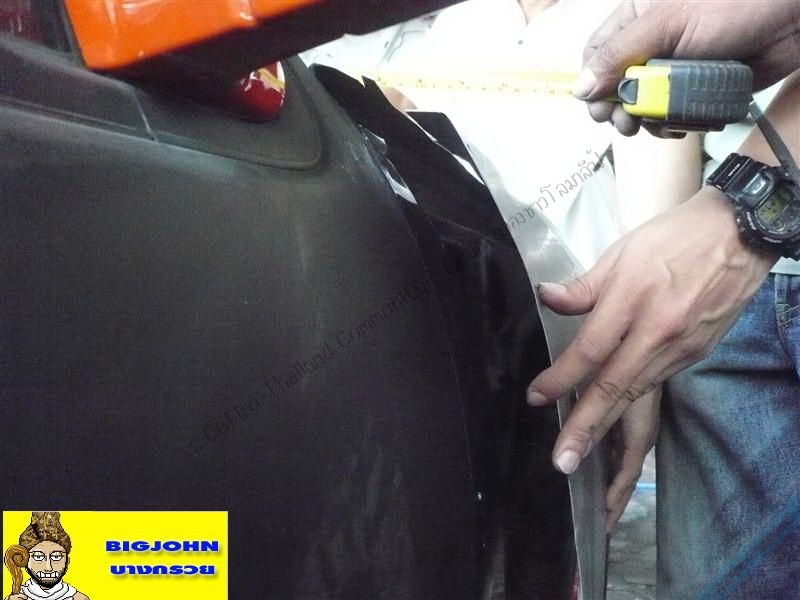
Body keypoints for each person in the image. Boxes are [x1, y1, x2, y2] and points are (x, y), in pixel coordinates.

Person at [526, 1, 800, 596]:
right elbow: (668, 62)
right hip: (729, 296)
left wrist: (749, 211)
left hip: (736, 235)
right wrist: (648, 335)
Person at [5, 512, 89, 600]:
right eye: (38, 557)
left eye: (56, 557)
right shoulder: (17, 597)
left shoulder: (78, 598)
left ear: (67, 560)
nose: (48, 568)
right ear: (26, 559)